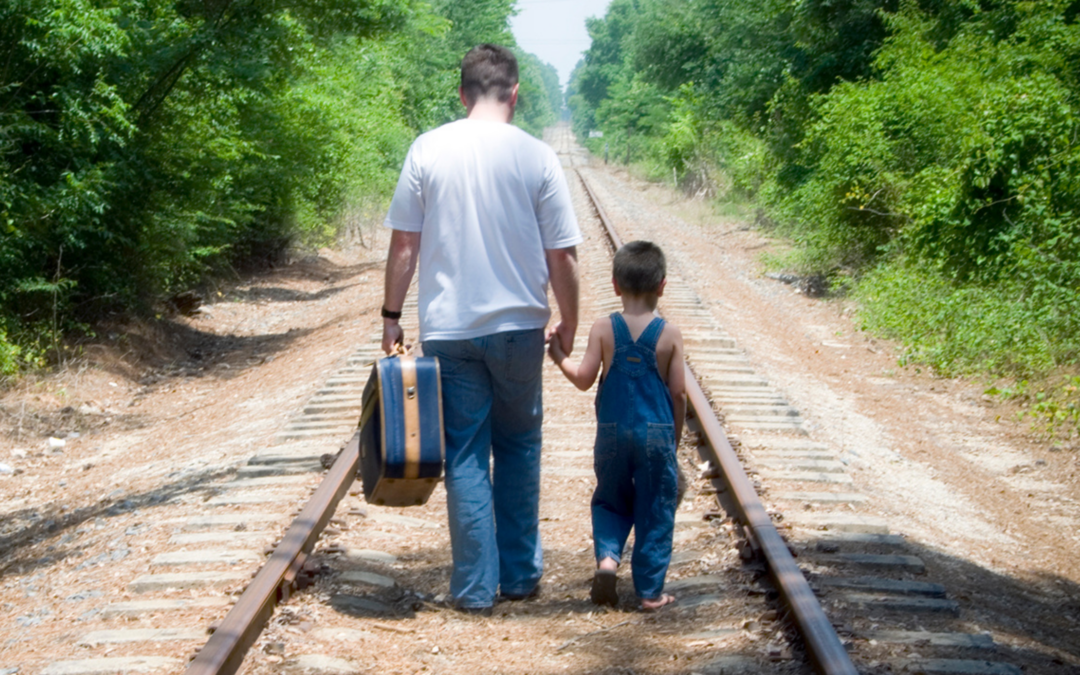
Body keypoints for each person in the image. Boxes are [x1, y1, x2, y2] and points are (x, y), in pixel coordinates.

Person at [380, 44, 582, 614]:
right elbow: (562, 254)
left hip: (449, 331)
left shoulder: (428, 148)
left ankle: (473, 589)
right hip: (521, 327)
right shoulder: (537, 155)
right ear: (514, 94)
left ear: (463, 93)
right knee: (518, 445)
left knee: (465, 453)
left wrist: (391, 318)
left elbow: (404, 243)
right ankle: (519, 576)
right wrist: (567, 320)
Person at [547, 241, 685, 611]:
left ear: (614, 285)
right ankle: (650, 592)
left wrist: (559, 356)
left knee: (609, 499)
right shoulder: (669, 335)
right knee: (656, 506)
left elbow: (584, 378)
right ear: (662, 286)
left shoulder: (604, 328)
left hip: (611, 433)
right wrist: (675, 437)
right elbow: (679, 395)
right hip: (656, 433)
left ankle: (608, 561)